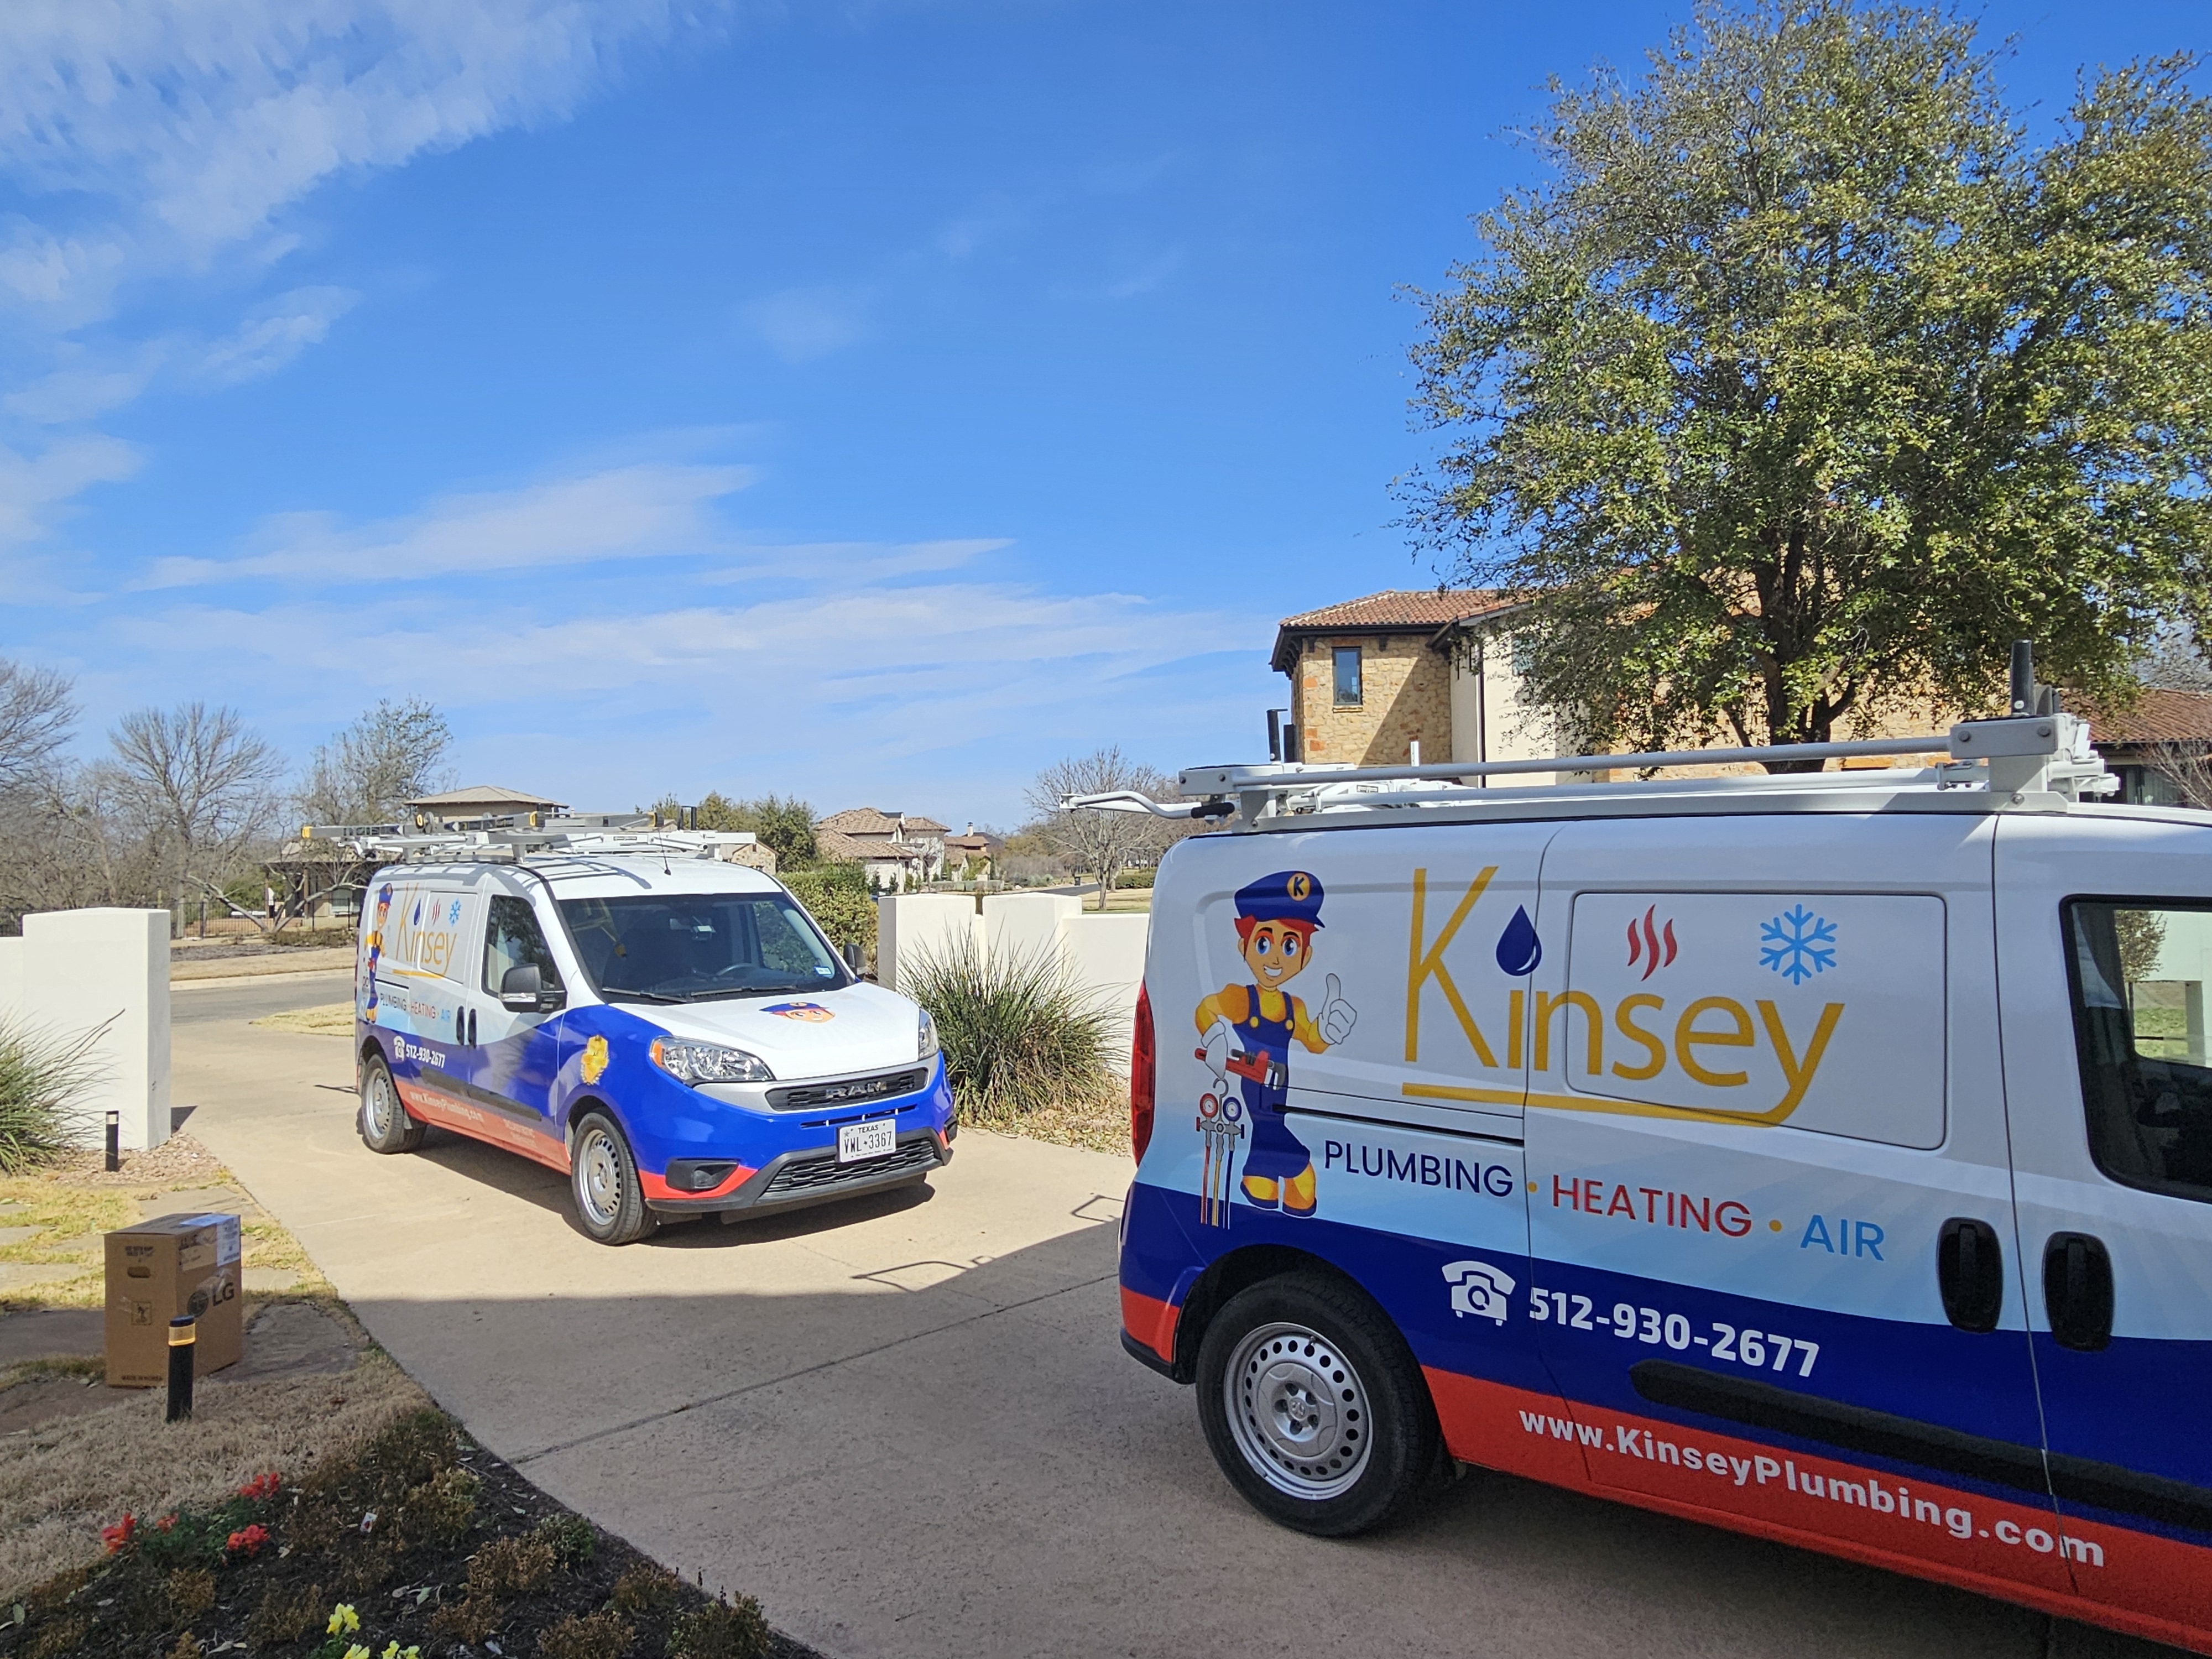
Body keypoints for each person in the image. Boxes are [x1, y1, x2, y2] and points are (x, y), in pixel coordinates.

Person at [1193, 870, 1357, 1217]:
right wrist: (1215, 1036)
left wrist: (1326, 1032)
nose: (1276, 959)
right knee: (1296, 1161)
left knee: (1267, 1148)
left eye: (1290, 946)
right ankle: (1291, 1198)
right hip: (1256, 1088)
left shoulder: (1293, 1007)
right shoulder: (1241, 998)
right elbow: (1207, 1009)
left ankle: (1258, 1184)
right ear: (1245, 947)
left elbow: (1312, 1043)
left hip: (1280, 1093)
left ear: (1306, 956)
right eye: (1264, 943)